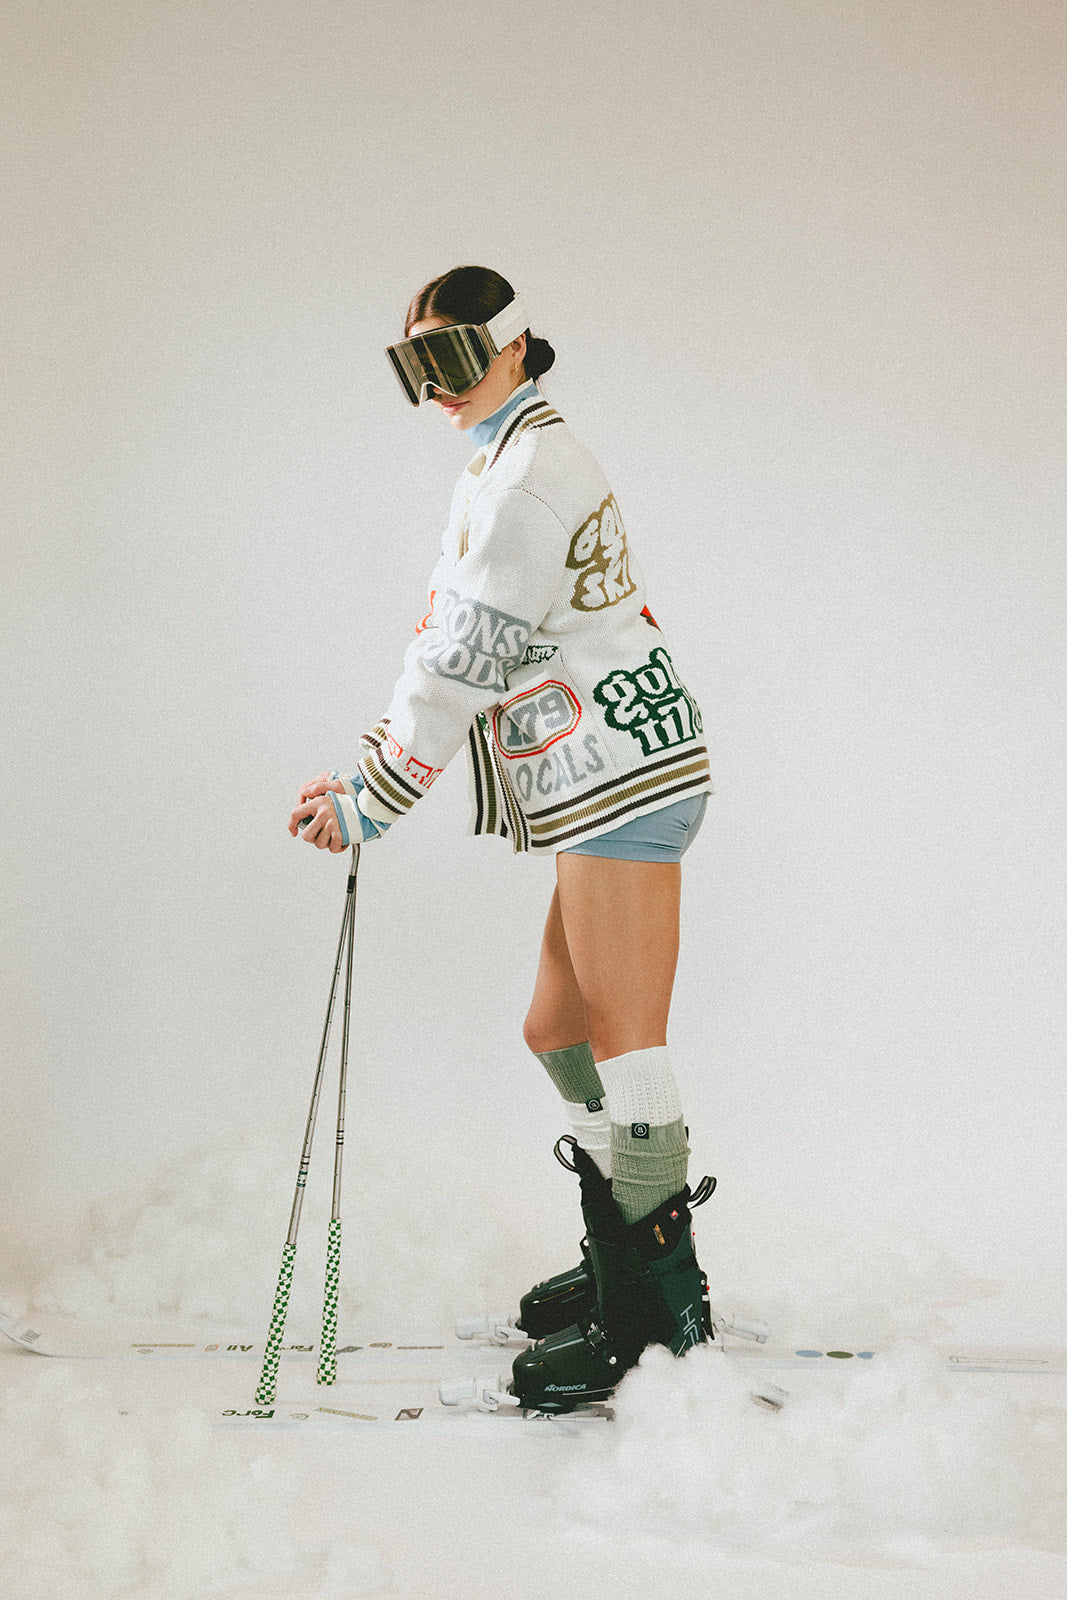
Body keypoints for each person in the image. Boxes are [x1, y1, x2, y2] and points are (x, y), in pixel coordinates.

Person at [288, 265, 716, 1411]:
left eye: (454, 358)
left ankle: (656, 1323)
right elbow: (449, 631)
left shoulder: (530, 475)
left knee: (626, 1044)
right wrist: (369, 764)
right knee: (553, 1026)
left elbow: (459, 657)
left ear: (516, 348)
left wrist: (372, 794)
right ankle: (617, 1254)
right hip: (588, 772)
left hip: (621, 773)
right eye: (414, 364)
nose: (436, 385)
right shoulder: (502, 456)